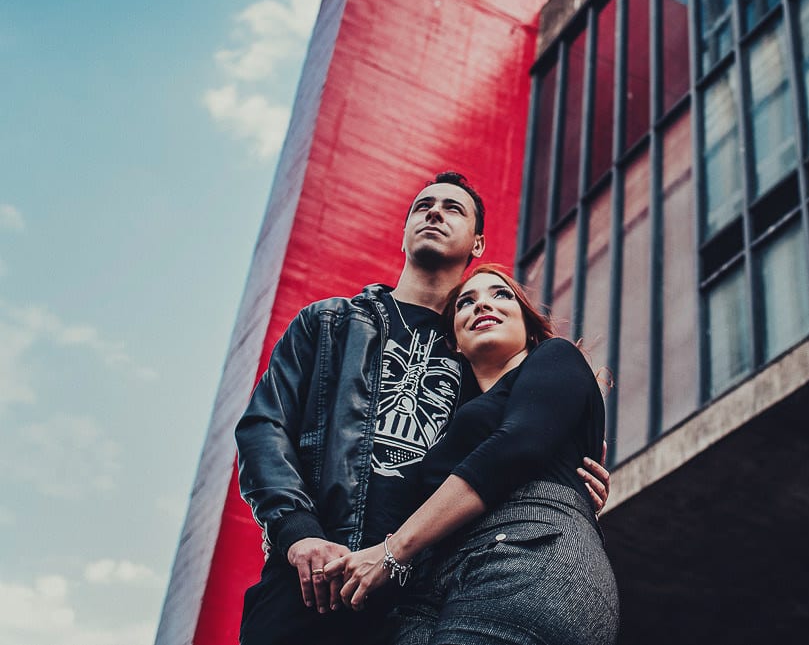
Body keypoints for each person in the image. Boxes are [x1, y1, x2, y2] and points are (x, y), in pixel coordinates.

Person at [235, 173, 610, 645]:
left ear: (478, 243)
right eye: (423, 206)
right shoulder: (330, 323)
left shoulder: (481, 353)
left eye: (453, 208)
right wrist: (296, 531)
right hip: (313, 578)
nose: (434, 212)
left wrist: (564, 477)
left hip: (416, 601)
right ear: (404, 232)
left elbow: (511, 447)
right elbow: (263, 428)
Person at [325, 264, 619, 645]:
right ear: (454, 342)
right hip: (432, 584)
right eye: (467, 302)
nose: (483, 305)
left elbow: (516, 447)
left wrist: (391, 551)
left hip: (526, 553)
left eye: (500, 295)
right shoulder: (451, 421)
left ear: (528, 325)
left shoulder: (556, 357)